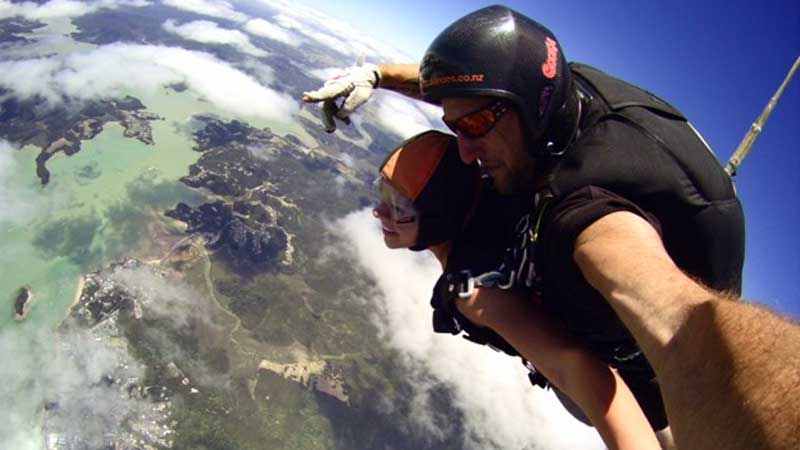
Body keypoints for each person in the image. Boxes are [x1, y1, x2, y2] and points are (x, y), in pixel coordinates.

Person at [304, 6, 800, 450]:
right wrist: (379, 73)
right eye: (456, 128)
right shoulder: (554, 95)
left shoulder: (584, 220)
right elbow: (481, 99)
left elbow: (680, 327)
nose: (466, 152)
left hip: (648, 388)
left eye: (397, 204)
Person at [373, 129, 663, 450]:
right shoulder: (495, 192)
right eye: (382, 192)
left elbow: (575, 368)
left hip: (629, 388)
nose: (379, 211)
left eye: (399, 206)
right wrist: (381, 76)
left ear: (438, 214)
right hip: (641, 360)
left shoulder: (474, 291)